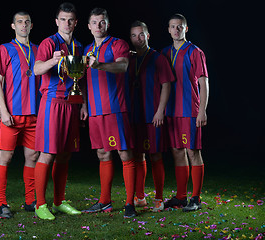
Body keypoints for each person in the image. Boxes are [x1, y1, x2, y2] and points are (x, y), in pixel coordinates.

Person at [33, 2, 87, 220]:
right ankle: (40, 204)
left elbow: (80, 79)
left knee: (65, 154)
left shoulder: (79, 46)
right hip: (52, 103)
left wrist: (82, 104)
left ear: (76, 22)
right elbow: (36, 69)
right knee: (48, 153)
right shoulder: (48, 43)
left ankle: (58, 201)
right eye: (63, 19)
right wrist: (51, 61)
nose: (67, 23)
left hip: (72, 103)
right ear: (57, 22)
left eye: (70, 19)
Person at [82, 8, 136, 218]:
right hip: (95, 111)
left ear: (107, 24)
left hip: (115, 108)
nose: (98, 26)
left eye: (102, 22)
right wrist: (85, 105)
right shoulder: (86, 49)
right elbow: (84, 81)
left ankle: (130, 203)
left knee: (124, 153)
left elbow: (122, 67)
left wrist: (101, 65)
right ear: (89, 26)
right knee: (102, 153)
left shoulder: (118, 44)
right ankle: (105, 201)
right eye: (94, 22)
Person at [0, 11, 41, 219]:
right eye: (19, 22)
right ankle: (1, 203)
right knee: (6, 156)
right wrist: (3, 110)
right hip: (12, 114)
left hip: (34, 114)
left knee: (32, 156)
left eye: (27, 22)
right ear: (13, 26)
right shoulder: (4, 49)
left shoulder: (39, 50)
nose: (23, 25)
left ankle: (30, 200)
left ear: (32, 26)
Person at [161, 14, 209, 212]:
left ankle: (195, 198)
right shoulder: (164, 53)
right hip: (172, 111)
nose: (176, 30)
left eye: (179, 26)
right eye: (172, 26)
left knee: (192, 152)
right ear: (169, 29)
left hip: (190, 110)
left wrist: (203, 110)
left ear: (186, 29)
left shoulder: (195, 52)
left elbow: (203, 82)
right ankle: (181, 197)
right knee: (177, 152)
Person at [128, 21, 174, 212]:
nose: (138, 39)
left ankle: (159, 198)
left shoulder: (158, 58)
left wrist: (160, 110)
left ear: (148, 35)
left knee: (155, 155)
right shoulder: (129, 59)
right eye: (134, 35)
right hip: (134, 115)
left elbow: (167, 85)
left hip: (152, 115)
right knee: (137, 156)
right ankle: (139, 197)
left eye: (141, 34)